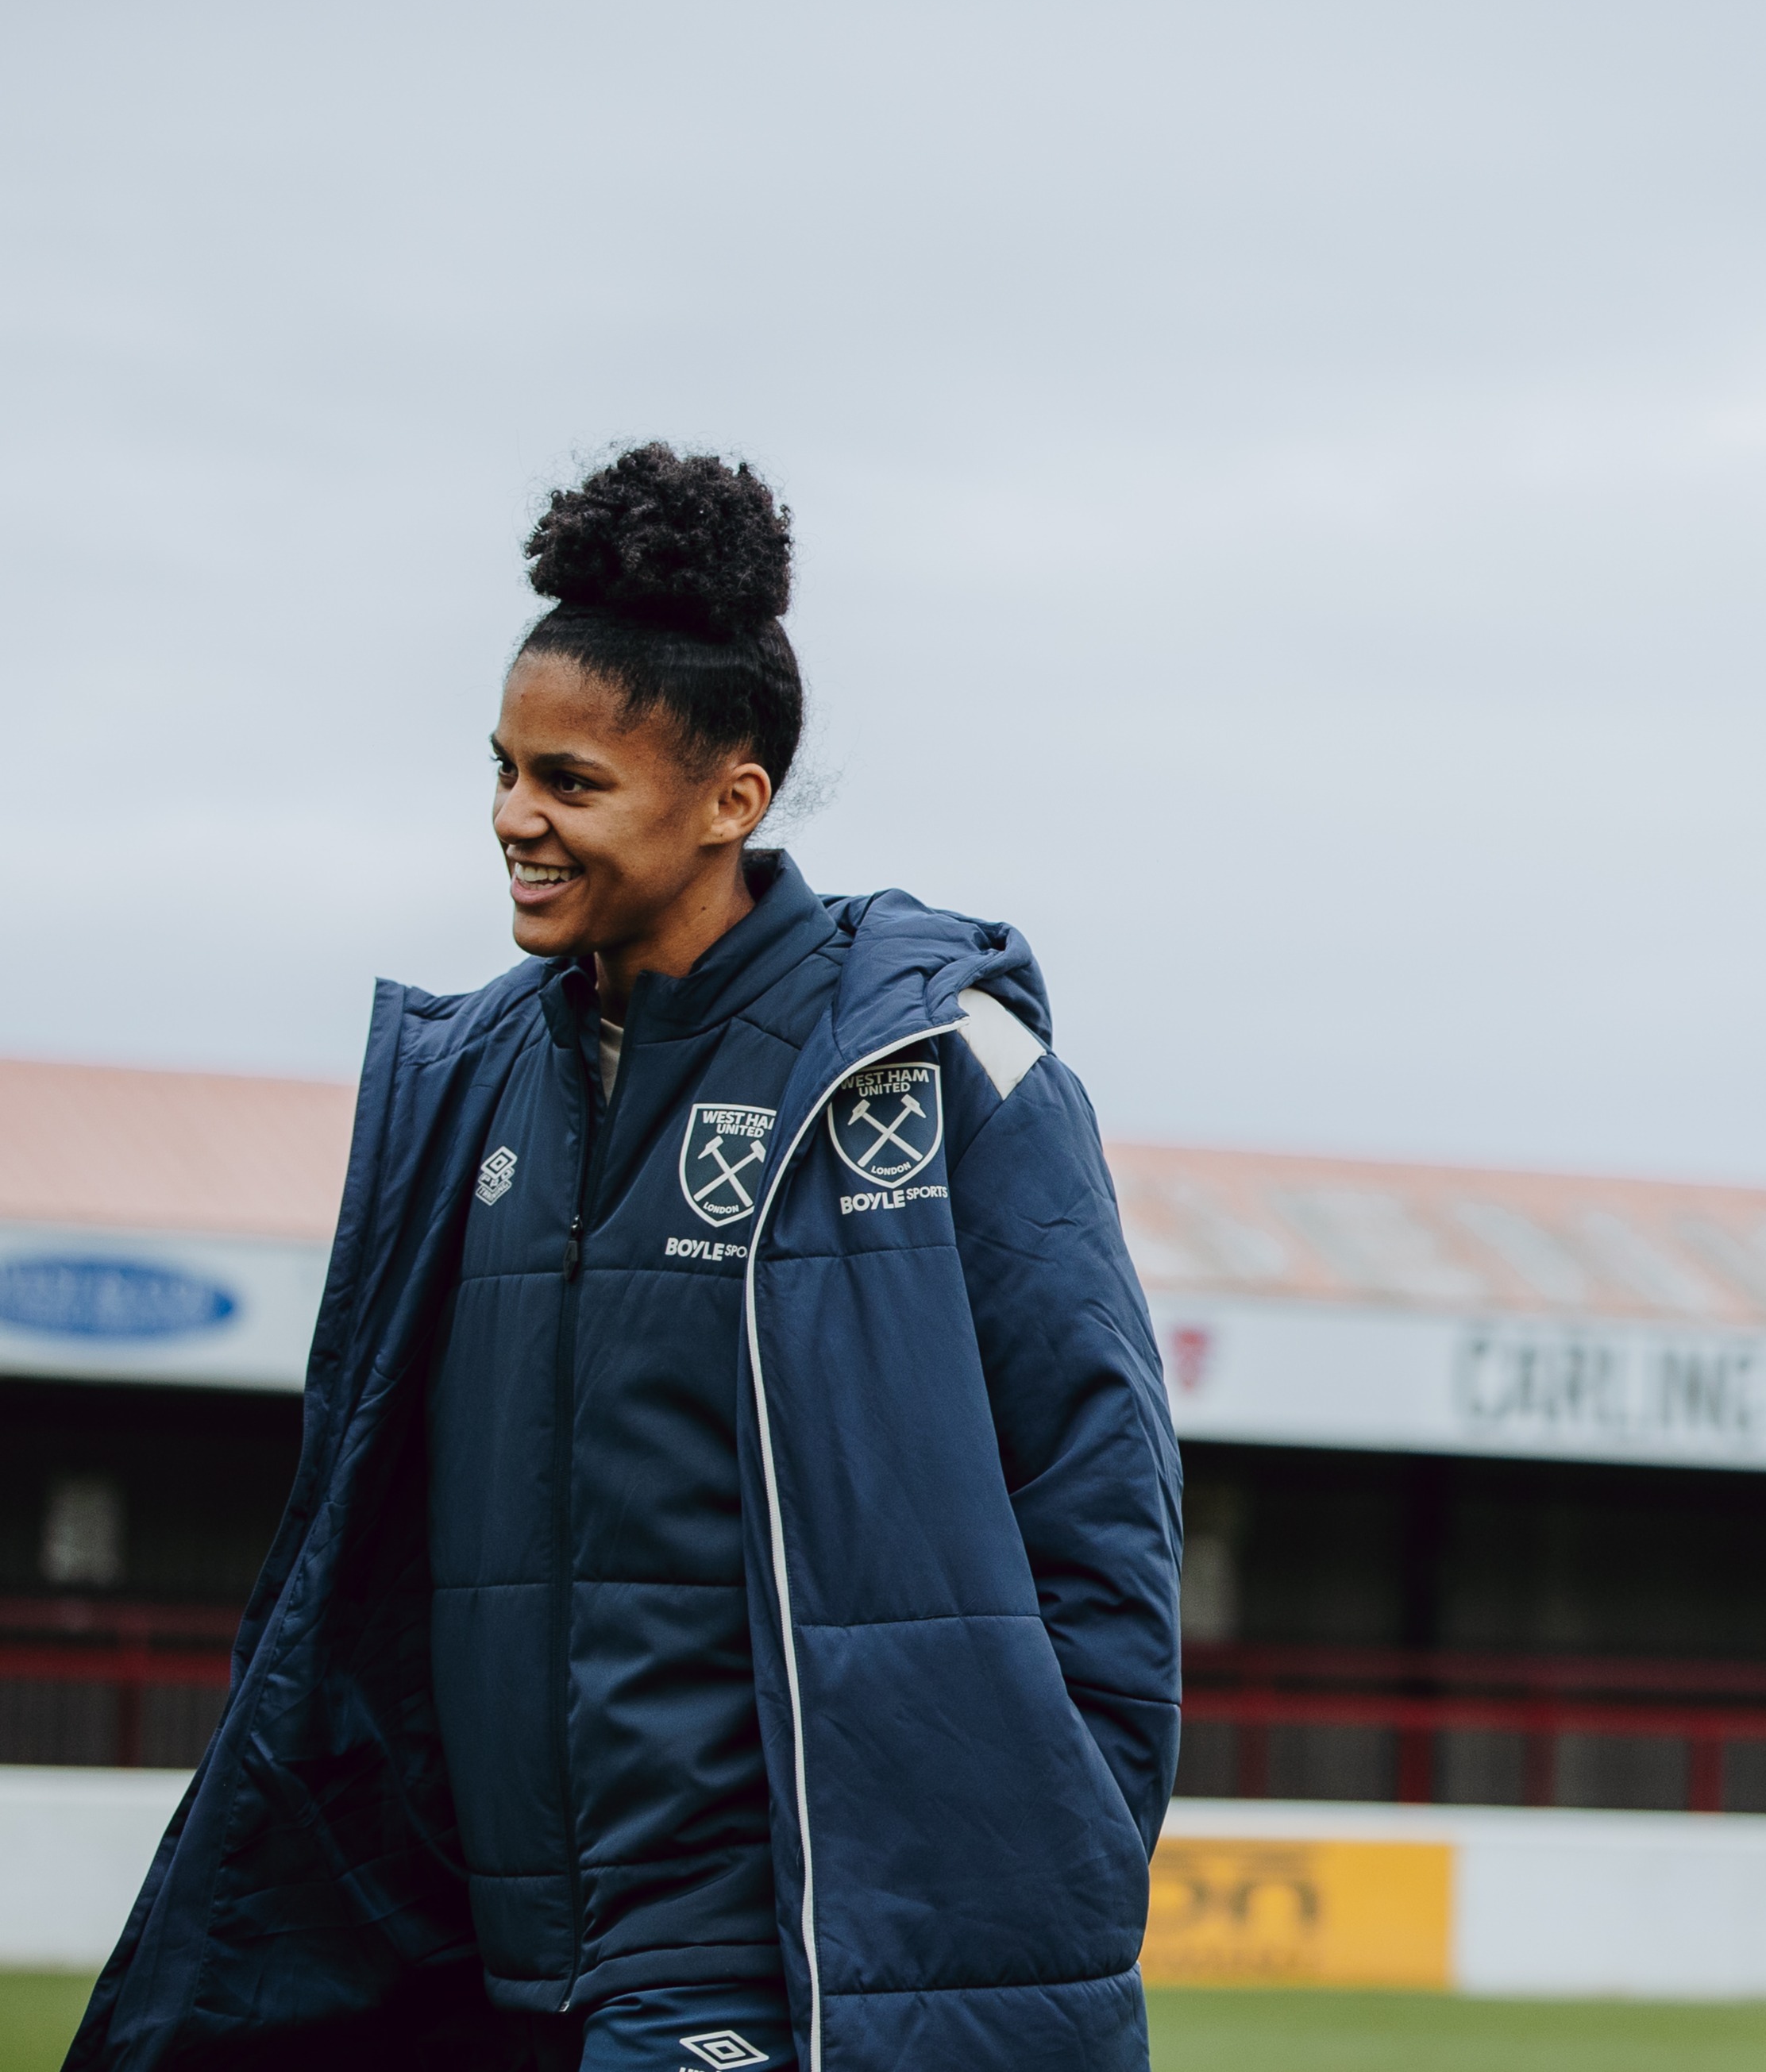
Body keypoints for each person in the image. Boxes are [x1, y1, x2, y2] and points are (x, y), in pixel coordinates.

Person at [70, 447, 1182, 2072]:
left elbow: (1104, 1512)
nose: (516, 818)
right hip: (491, 1961)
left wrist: (1035, 1848)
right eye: (507, 769)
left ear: (732, 798)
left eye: (572, 783)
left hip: (771, 1959)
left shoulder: (941, 1076)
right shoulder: (464, 1088)